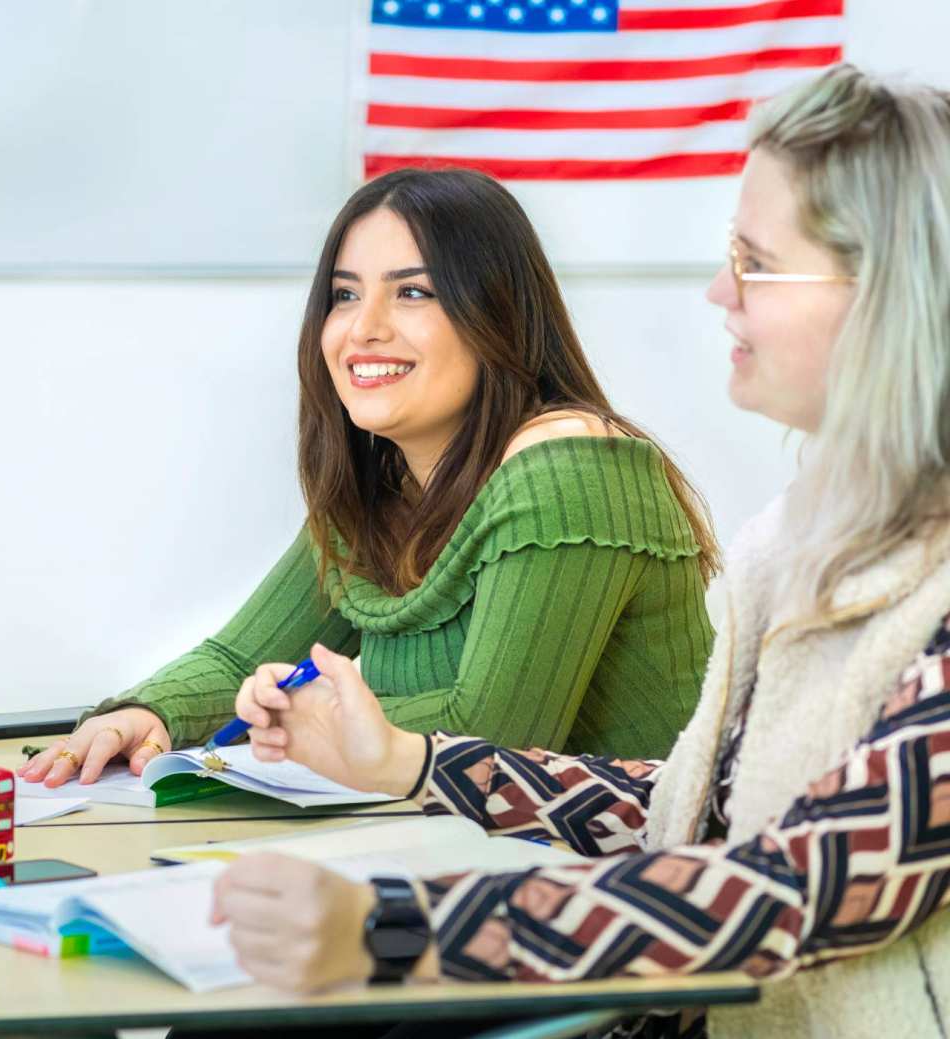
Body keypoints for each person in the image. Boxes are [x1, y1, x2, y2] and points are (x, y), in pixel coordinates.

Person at [212, 66, 950, 1038]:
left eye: (756, 263)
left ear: (887, 293)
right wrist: (408, 762)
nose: (716, 290)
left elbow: (794, 885)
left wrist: (400, 932)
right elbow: (688, 807)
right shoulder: (799, 541)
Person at [21, 168, 718, 790]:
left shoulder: (571, 466)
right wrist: (146, 711)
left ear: (497, 314)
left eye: (412, 292)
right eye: (344, 295)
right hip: (467, 862)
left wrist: (293, 722)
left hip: (638, 881)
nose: (363, 329)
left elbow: (493, 736)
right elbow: (242, 656)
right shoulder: (385, 483)